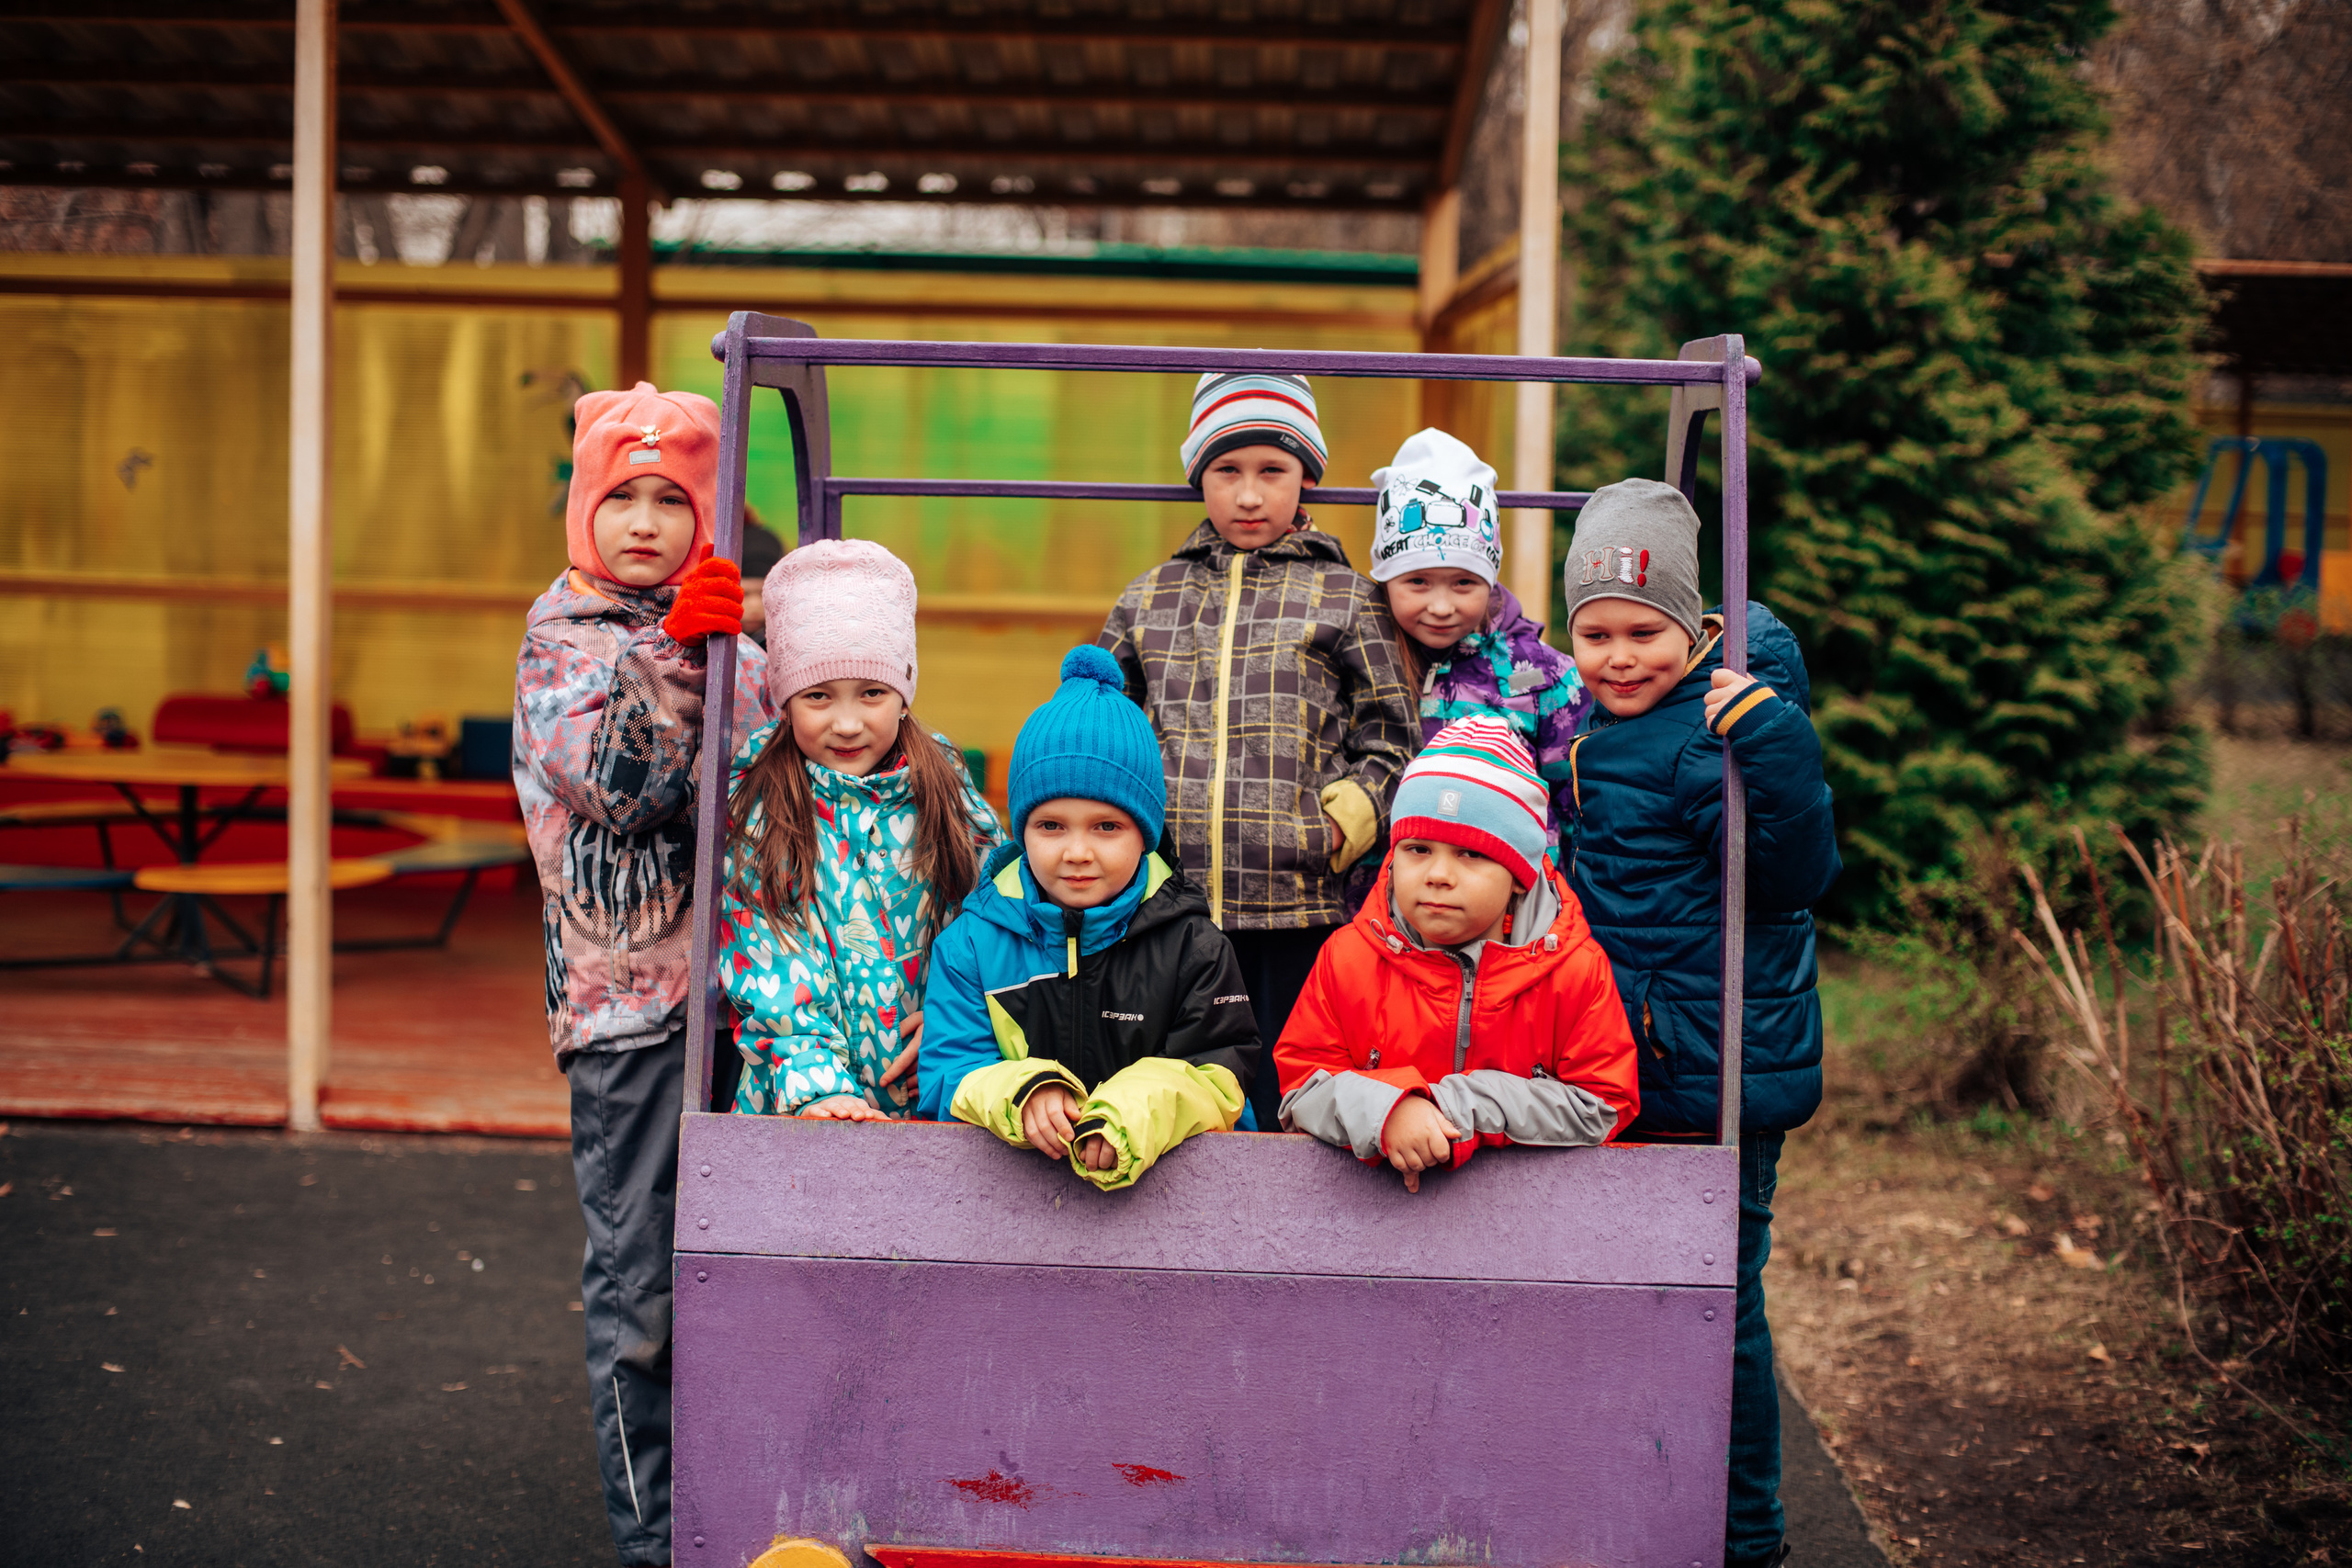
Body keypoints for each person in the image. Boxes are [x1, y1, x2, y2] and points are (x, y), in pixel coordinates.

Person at [512, 381, 770, 1568]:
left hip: (749, 1003)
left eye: (676, 500)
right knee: (646, 1292)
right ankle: (655, 1536)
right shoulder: (564, 639)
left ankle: (751, 1505)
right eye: (626, 497)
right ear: (586, 509)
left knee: (752, 1275)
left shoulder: (726, 635)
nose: (648, 523)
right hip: (632, 1012)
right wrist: (679, 653)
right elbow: (620, 784)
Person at [1560, 477, 1840, 1568]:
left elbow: (1793, 874)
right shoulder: (1599, 733)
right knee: (1638, 1296)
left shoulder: (1728, 731)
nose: (1619, 657)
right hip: (1628, 1066)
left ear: (1700, 629)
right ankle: (1643, 1503)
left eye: (1645, 632)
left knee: (1720, 1307)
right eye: (1596, 634)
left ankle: (1748, 1534)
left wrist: (1774, 747)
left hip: (1715, 1068)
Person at [1096, 371, 1415, 1133]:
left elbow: (1392, 733)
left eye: (1271, 471)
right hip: (1168, 905)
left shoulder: (1348, 596)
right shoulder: (1149, 598)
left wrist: (1343, 823)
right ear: (1198, 478)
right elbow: (1104, 730)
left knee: (1286, 1090)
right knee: (1181, 1087)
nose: (1248, 495)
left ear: (1305, 476)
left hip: (1299, 908)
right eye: (1226, 472)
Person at [918, 644, 1261, 1190]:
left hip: (1166, 1215)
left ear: (1145, 836)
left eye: (1106, 827)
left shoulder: (1194, 945)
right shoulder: (972, 945)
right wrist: (1022, 1093)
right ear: (1021, 830)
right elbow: (945, 1075)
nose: (1077, 851)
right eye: (1051, 826)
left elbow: (1224, 1084)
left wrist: (1135, 1108)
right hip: (1006, 1210)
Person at [1274, 716, 1638, 1190]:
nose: (1438, 874)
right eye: (1418, 849)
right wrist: (1388, 1111)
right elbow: (1301, 1087)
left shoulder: (1573, 969)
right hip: (1372, 1223)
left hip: (1527, 1223)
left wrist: (1455, 1107)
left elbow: (1604, 1105)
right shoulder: (1348, 957)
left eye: (1471, 854)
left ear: (1518, 875)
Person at [717, 539, 1002, 1118]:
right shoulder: (762, 803)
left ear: (903, 693)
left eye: (871, 693)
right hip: (804, 1103)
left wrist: (960, 1021)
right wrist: (819, 1086)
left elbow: (992, 919)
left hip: (939, 1086)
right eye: (818, 696)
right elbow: (767, 956)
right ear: (785, 701)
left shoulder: (945, 789)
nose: (847, 724)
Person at [1368, 427, 1587, 854]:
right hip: (1382, 909)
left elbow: (1577, 809)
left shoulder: (1546, 678)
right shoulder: (1364, 660)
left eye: (1464, 583)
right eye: (1418, 581)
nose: (1442, 605)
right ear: (1386, 578)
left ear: (1490, 580)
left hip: (1514, 910)